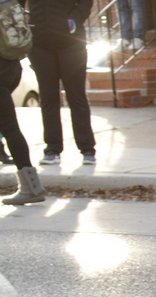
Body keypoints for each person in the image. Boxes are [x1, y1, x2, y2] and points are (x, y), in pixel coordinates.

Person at [25, 0, 97, 166]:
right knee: (48, 97)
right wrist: (23, 23)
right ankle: (52, 148)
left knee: (76, 96)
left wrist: (74, 19)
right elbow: (16, 5)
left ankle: (87, 148)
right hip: (39, 44)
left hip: (71, 43)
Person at [0, 55, 45, 204]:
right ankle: (31, 187)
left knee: (10, 128)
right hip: (10, 68)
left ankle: (31, 188)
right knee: (10, 129)